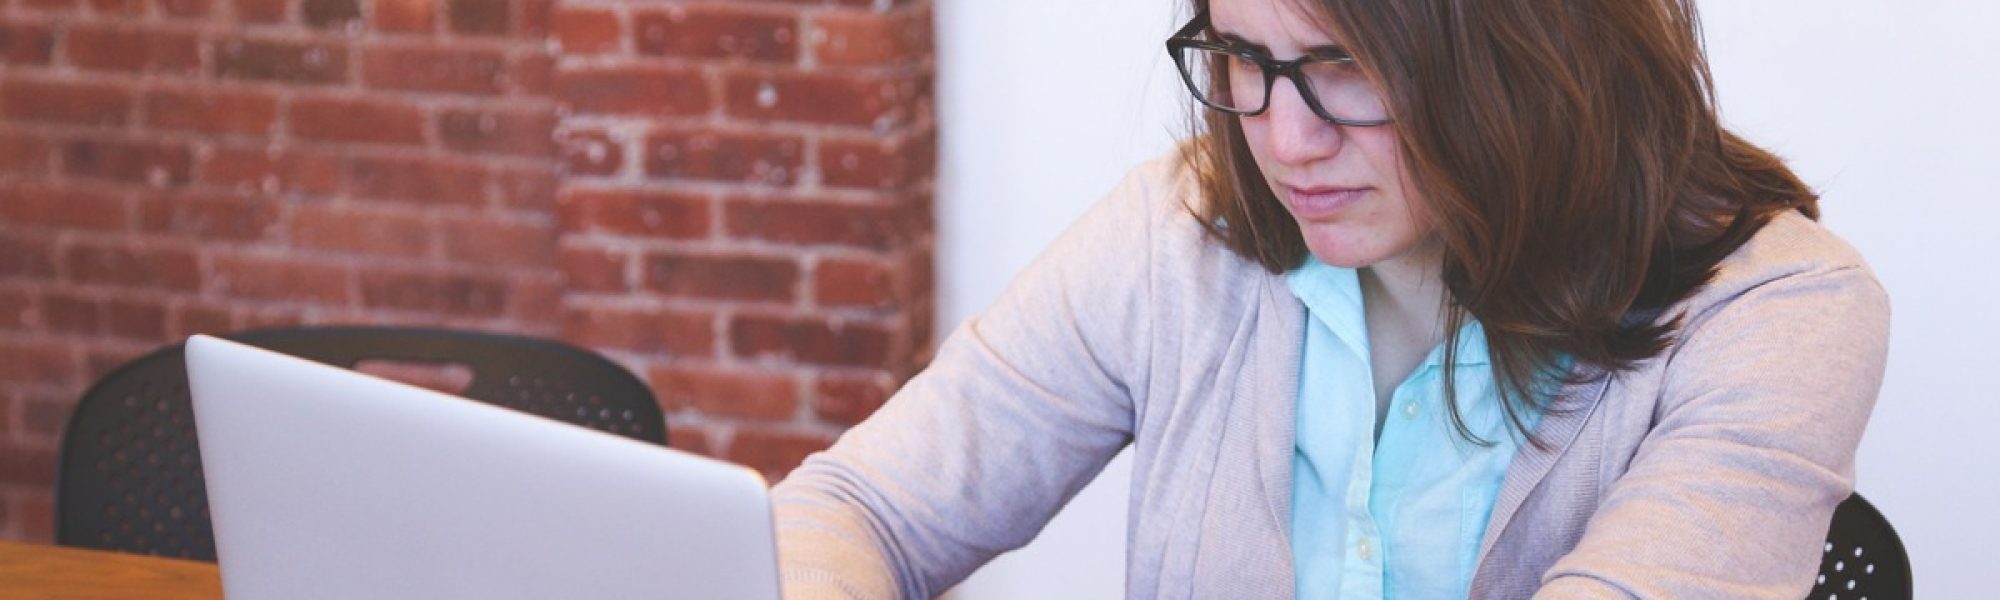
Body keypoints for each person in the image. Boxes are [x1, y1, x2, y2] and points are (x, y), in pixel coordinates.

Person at [770, 0, 1890, 597]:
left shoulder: (1778, 311)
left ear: (1523, 46)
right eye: (1242, 56)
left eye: (1345, 63)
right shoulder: (1175, 237)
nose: (1281, 138)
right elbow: (857, 510)